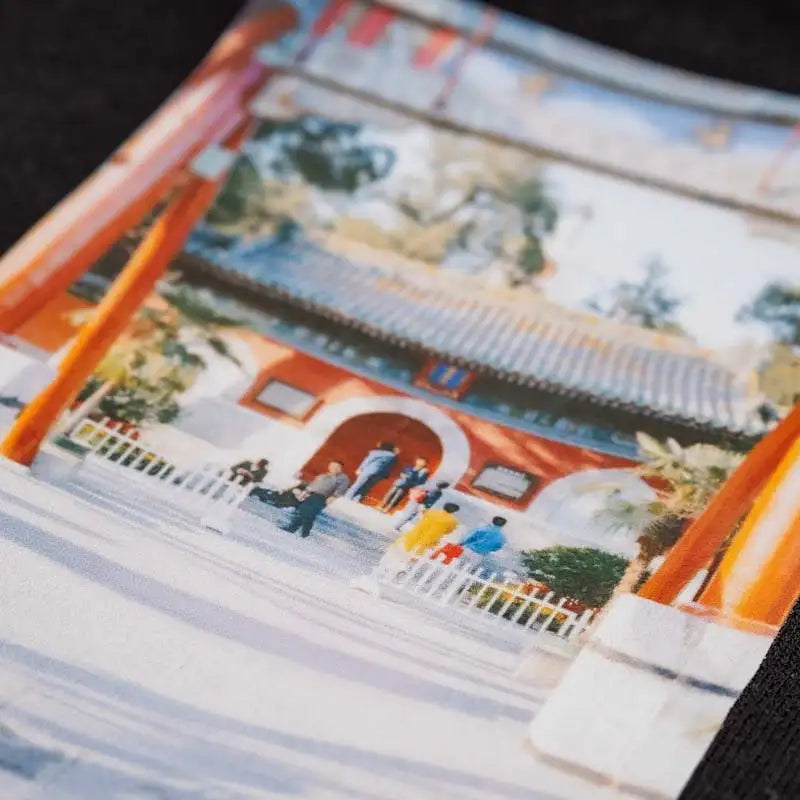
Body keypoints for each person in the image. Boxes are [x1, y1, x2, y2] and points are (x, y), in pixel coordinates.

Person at [351, 503, 461, 594]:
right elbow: (448, 531)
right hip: (424, 544)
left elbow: (421, 515)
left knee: (392, 557)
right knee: (405, 562)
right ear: (454, 511)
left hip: (410, 538)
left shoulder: (432, 512)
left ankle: (374, 576)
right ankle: (384, 579)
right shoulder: (452, 521)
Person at [280, 460, 349, 538]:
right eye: (332, 466)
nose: (333, 468)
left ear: (340, 468)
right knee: (303, 511)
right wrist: (305, 492)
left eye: (336, 467)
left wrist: (333, 497)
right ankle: (293, 529)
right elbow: (313, 485)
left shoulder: (343, 478)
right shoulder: (323, 475)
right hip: (311, 495)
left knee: (308, 513)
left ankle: (304, 533)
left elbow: (341, 490)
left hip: (322, 497)